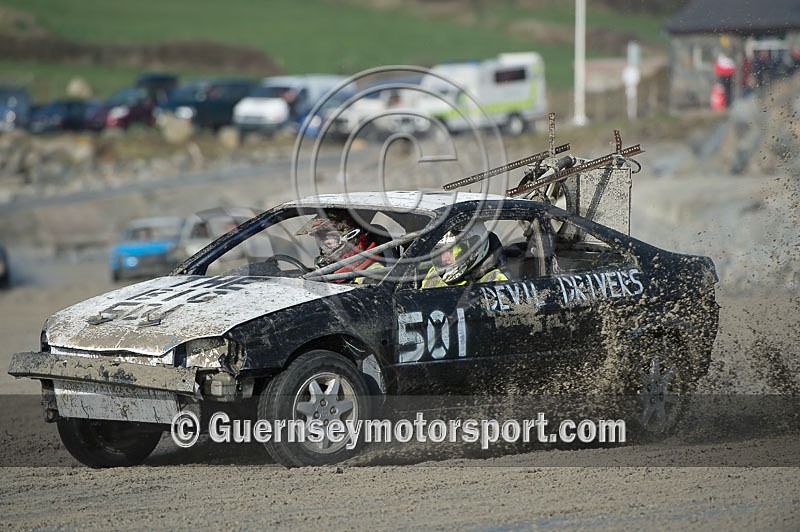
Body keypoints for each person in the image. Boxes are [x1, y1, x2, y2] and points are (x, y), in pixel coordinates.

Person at [297, 212, 388, 283]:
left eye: (329, 237)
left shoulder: (375, 274)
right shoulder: (332, 275)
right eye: (320, 239)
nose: (325, 243)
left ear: (352, 237)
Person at [421, 223, 508, 288]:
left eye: (451, 251)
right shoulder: (433, 274)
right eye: (440, 252)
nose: (444, 258)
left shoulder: (495, 282)